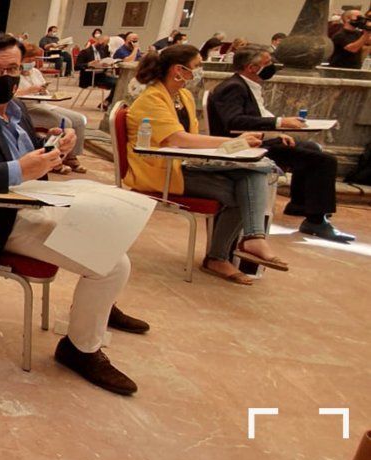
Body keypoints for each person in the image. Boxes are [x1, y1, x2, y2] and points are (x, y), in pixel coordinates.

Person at [0, 33, 150, 396]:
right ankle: (80, 348)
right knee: (113, 263)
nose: (6, 77)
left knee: (117, 224)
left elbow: (27, 161)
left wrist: (51, 150)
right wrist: (18, 170)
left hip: (33, 203)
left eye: (13, 68)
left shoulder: (15, 109)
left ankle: (99, 305)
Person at [127, 45, 288, 285]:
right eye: (197, 66)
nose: (200, 71)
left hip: (186, 163)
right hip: (163, 171)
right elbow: (177, 139)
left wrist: (233, 148)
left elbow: (191, 139)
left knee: (256, 171)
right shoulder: (151, 99)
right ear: (178, 70)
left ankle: (250, 239)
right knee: (240, 191)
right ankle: (224, 254)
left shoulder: (183, 97)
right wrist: (233, 141)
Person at [207, 45, 354, 243]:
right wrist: (278, 124)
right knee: (324, 161)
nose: (272, 67)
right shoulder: (234, 87)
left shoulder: (246, 85)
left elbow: (255, 116)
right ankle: (316, 221)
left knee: (311, 148)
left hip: (258, 139)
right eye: (267, 63)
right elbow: (234, 122)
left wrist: (277, 129)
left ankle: (299, 205)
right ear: (251, 67)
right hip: (244, 147)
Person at [17, 44, 87, 174]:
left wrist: (44, 90)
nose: (32, 63)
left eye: (34, 60)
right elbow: (12, 95)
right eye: (29, 60)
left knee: (78, 119)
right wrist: (30, 90)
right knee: (64, 122)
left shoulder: (36, 72)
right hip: (27, 108)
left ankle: (71, 156)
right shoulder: (14, 73)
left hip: (43, 103)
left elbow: (43, 89)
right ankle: (54, 159)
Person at [74, 34, 118, 109]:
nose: (104, 45)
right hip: (89, 77)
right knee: (115, 84)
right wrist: (88, 64)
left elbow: (104, 63)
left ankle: (107, 102)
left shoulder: (102, 51)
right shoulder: (85, 52)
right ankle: (107, 103)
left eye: (106, 44)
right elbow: (76, 67)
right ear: (97, 41)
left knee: (120, 82)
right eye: (103, 43)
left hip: (101, 75)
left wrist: (107, 65)